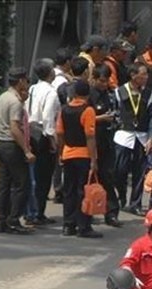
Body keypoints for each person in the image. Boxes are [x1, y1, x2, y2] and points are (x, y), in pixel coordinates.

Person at [56, 79, 101, 239]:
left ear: (74, 93)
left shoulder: (64, 110)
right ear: (88, 95)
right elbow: (90, 137)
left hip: (68, 153)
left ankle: (68, 225)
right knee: (84, 191)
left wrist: (60, 153)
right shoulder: (88, 110)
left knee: (69, 190)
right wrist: (94, 160)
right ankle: (84, 226)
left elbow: (60, 134)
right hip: (83, 155)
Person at [113, 63, 152, 217]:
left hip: (142, 137)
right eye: (143, 74)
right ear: (133, 75)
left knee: (140, 172)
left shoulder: (150, 94)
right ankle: (121, 196)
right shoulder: (119, 92)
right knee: (120, 170)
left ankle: (135, 203)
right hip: (123, 136)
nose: (146, 77)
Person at [0, 67, 34, 234]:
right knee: (22, 184)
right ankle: (14, 220)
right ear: (20, 82)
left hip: (1, 144)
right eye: (25, 80)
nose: (26, 83)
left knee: (4, 184)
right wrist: (26, 150)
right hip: (12, 145)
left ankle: (1, 220)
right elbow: (15, 128)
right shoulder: (15, 101)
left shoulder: (3, 97)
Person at [26, 58, 60, 227]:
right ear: (49, 73)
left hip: (31, 132)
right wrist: (52, 140)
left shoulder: (32, 88)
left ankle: (30, 211)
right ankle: (39, 212)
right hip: (43, 135)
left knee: (33, 175)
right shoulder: (51, 92)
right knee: (44, 176)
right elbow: (48, 118)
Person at [90, 64, 123, 228]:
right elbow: (85, 119)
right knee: (89, 179)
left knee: (108, 178)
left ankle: (111, 213)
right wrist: (101, 118)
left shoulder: (110, 95)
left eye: (106, 81)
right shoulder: (89, 95)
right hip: (91, 142)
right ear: (94, 79)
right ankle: (86, 213)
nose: (104, 84)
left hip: (107, 141)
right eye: (101, 81)